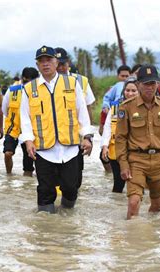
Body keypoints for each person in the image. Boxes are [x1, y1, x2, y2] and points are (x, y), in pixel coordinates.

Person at [19, 45, 94, 214]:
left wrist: (87, 136)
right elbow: (25, 118)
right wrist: (28, 140)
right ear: (37, 65)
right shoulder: (29, 89)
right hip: (44, 149)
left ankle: (68, 218)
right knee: (45, 191)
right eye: (41, 61)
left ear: (56, 62)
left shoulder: (72, 83)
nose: (45, 64)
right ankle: (47, 231)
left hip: (70, 148)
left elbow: (82, 112)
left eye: (49, 60)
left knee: (70, 187)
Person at [115, 65, 160, 220]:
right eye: (146, 84)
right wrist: (123, 164)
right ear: (138, 85)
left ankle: (150, 236)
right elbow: (120, 138)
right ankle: (132, 238)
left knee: (157, 205)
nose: (150, 87)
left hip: (159, 162)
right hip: (136, 161)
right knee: (134, 202)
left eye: (153, 83)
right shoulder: (126, 107)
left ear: (157, 84)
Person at [55, 47, 96, 189]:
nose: (60, 67)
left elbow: (88, 109)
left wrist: (89, 136)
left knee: (75, 177)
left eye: (63, 64)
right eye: (57, 64)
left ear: (68, 63)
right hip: (53, 140)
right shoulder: (45, 83)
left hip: (77, 138)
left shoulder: (81, 81)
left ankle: (70, 207)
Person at [101, 76, 138, 193]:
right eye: (127, 90)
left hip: (135, 151)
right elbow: (107, 128)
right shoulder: (115, 108)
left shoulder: (143, 108)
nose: (130, 93)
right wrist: (104, 146)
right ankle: (117, 206)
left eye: (133, 91)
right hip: (115, 151)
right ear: (123, 91)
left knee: (136, 183)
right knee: (118, 184)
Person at [2, 67, 39, 175]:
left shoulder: (40, 90)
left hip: (29, 130)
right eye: (26, 81)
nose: (28, 84)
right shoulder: (13, 90)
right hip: (13, 128)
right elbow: (5, 109)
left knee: (28, 162)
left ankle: (27, 184)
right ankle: (9, 176)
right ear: (23, 79)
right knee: (8, 153)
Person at [99, 65, 131, 135]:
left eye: (127, 76)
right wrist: (106, 106)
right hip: (117, 116)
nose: (125, 78)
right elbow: (107, 98)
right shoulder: (116, 87)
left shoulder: (135, 87)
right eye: (122, 76)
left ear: (130, 76)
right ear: (118, 76)